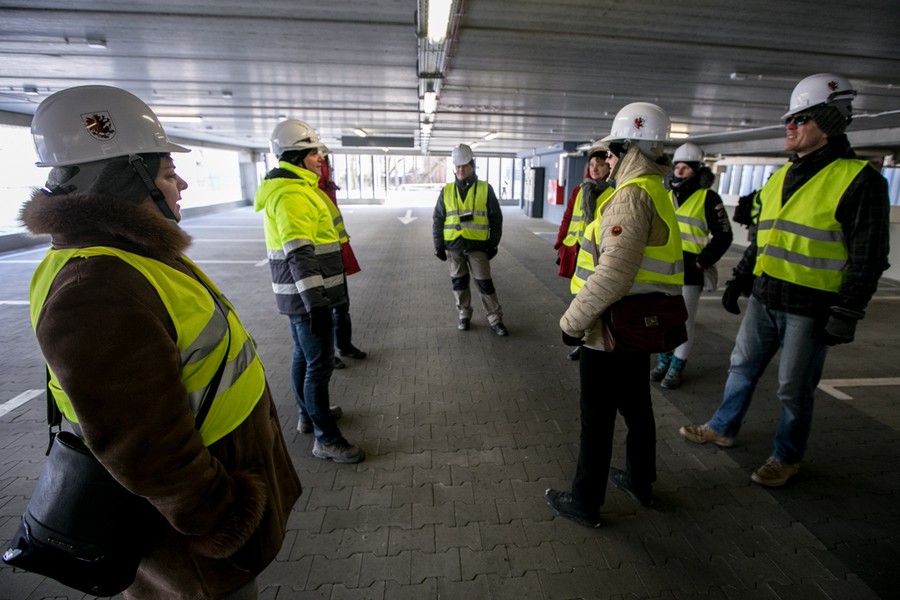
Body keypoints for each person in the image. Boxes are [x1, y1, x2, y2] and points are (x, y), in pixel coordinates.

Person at [20, 85, 301, 599]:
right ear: (127, 180)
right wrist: (220, 517)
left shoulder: (129, 257)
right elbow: (141, 446)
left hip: (213, 498)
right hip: (193, 542)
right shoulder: (96, 288)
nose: (182, 184)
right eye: (169, 173)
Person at [679, 73, 890, 487]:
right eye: (789, 119)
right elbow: (764, 238)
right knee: (740, 367)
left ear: (828, 123)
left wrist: (847, 312)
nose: (789, 126)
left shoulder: (861, 181)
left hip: (811, 308)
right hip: (765, 298)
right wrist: (741, 279)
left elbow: (869, 257)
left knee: (793, 388)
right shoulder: (780, 176)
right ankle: (723, 427)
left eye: (800, 119)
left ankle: (787, 456)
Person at [545, 102, 684, 527]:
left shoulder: (630, 197)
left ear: (628, 150)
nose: (605, 160)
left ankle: (585, 502)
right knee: (637, 408)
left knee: (597, 418)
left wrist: (572, 324)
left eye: (610, 151)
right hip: (637, 327)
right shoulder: (656, 191)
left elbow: (612, 275)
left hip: (608, 327)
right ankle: (640, 481)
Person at [254, 119, 365, 464]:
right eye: (315, 152)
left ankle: (308, 416)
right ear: (297, 155)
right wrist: (317, 304)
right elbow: (300, 254)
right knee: (318, 365)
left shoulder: (297, 188)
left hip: (303, 296)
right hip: (308, 298)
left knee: (303, 357)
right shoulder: (292, 195)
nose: (320, 158)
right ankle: (326, 439)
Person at [651, 142, 733, 388]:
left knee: (683, 321)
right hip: (664, 268)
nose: (679, 171)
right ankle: (664, 360)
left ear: (697, 170)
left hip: (690, 269)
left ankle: (677, 366)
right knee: (663, 318)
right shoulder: (665, 195)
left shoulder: (708, 198)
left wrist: (702, 261)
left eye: (685, 167)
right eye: (677, 166)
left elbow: (724, 235)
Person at [432, 143, 508, 335]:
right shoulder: (447, 190)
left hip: (478, 247)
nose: (461, 170)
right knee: (459, 283)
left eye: (464, 166)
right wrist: (438, 245)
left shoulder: (485, 188)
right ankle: (464, 315)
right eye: (458, 166)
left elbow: (496, 218)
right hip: (454, 247)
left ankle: (495, 319)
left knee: (485, 284)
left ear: (472, 166)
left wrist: (493, 244)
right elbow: (438, 219)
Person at [554, 142, 614, 360]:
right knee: (579, 298)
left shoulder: (615, 192)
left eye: (600, 164)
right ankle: (583, 342)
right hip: (577, 252)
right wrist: (560, 245)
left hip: (600, 256)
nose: (595, 168)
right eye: (592, 164)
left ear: (609, 166)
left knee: (598, 299)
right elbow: (568, 217)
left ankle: (600, 342)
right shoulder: (580, 190)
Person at [317, 151, 367, 370]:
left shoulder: (326, 188)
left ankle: (344, 346)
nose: (329, 168)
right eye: (326, 165)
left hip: (335, 255)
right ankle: (328, 354)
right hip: (321, 260)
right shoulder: (314, 191)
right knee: (327, 311)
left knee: (342, 306)